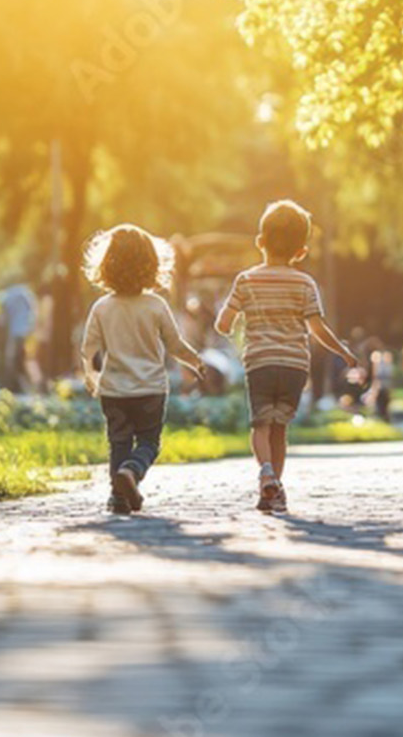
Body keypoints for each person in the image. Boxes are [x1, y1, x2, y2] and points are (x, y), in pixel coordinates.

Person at [216, 200, 359, 515]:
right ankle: (274, 487)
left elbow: (223, 323)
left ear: (260, 242)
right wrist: (343, 351)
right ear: (301, 252)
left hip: (260, 363)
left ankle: (266, 472)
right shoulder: (305, 283)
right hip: (294, 366)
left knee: (261, 424)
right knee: (280, 427)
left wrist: (229, 325)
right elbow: (317, 328)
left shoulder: (246, 280)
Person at [80, 225, 205, 515]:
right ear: (151, 265)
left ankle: (118, 497)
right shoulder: (156, 305)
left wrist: (90, 375)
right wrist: (196, 361)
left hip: (113, 390)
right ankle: (132, 472)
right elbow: (175, 346)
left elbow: (88, 348)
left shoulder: (101, 308)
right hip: (150, 389)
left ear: (106, 264)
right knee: (148, 441)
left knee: (119, 441)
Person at [0, 282, 38, 391]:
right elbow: (33, 313)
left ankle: (22, 387)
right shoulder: (26, 294)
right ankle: (29, 386)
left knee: (15, 360)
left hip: (15, 332)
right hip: (25, 332)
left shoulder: (8, 296)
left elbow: (3, 318)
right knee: (23, 359)